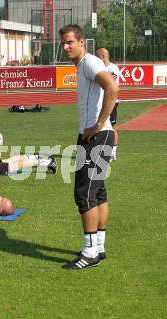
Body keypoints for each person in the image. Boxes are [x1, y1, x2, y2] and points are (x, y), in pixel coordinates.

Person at [60, 24, 118, 270]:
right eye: (63, 43)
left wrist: (98, 125)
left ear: (82, 41)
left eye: (70, 42)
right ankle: (99, 246)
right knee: (98, 192)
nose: (65, 47)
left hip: (96, 136)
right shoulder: (84, 64)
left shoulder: (90, 63)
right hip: (94, 136)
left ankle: (89, 252)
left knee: (83, 194)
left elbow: (112, 88)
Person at [95, 48, 120, 161]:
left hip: (111, 102)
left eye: (97, 56)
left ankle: (112, 152)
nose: (96, 59)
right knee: (102, 126)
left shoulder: (112, 68)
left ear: (103, 56)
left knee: (112, 127)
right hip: (102, 101)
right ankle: (101, 150)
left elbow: (110, 83)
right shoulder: (102, 69)